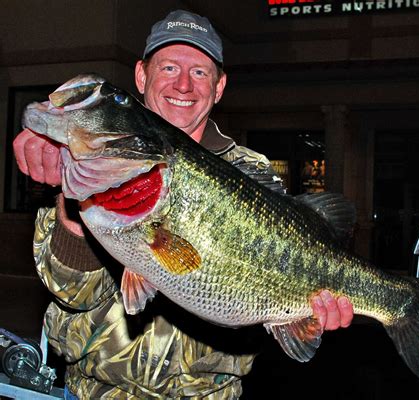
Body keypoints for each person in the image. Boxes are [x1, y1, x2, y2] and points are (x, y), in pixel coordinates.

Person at [13, 10, 353, 399]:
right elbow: (72, 293)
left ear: (220, 86)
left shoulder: (249, 171)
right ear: (142, 75)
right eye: (170, 67)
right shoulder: (83, 163)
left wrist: (307, 316)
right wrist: (72, 200)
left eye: (200, 73)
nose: (184, 85)